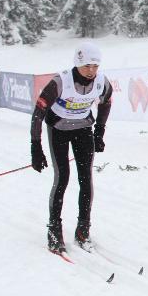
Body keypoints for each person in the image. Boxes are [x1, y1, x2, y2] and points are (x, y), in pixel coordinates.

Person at [30, 42, 113, 253]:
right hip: (58, 129)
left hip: (83, 129)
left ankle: (83, 230)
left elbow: (106, 102)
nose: (91, 71)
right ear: (77, 63)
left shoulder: (101, 82)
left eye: (95, 66)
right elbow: (38, 113)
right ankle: (54, 230)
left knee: (86, 179)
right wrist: (36, 146)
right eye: (87, 66)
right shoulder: (61, 81)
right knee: (62, 178)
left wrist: (99, 131)